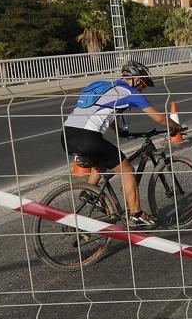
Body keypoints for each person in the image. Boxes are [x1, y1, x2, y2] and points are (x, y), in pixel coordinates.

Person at [60, 60, 183, 227]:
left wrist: (119, 131)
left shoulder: (100, 84)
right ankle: (136, 214)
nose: (142, 89)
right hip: (88, 137)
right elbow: (159, 118)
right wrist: (176, 127)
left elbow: (103, 110)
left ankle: (89, 194)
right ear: (137, 79)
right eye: (143, 85)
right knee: (127, 169)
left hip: (67, 135)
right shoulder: (132, 93)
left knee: (102, 163)